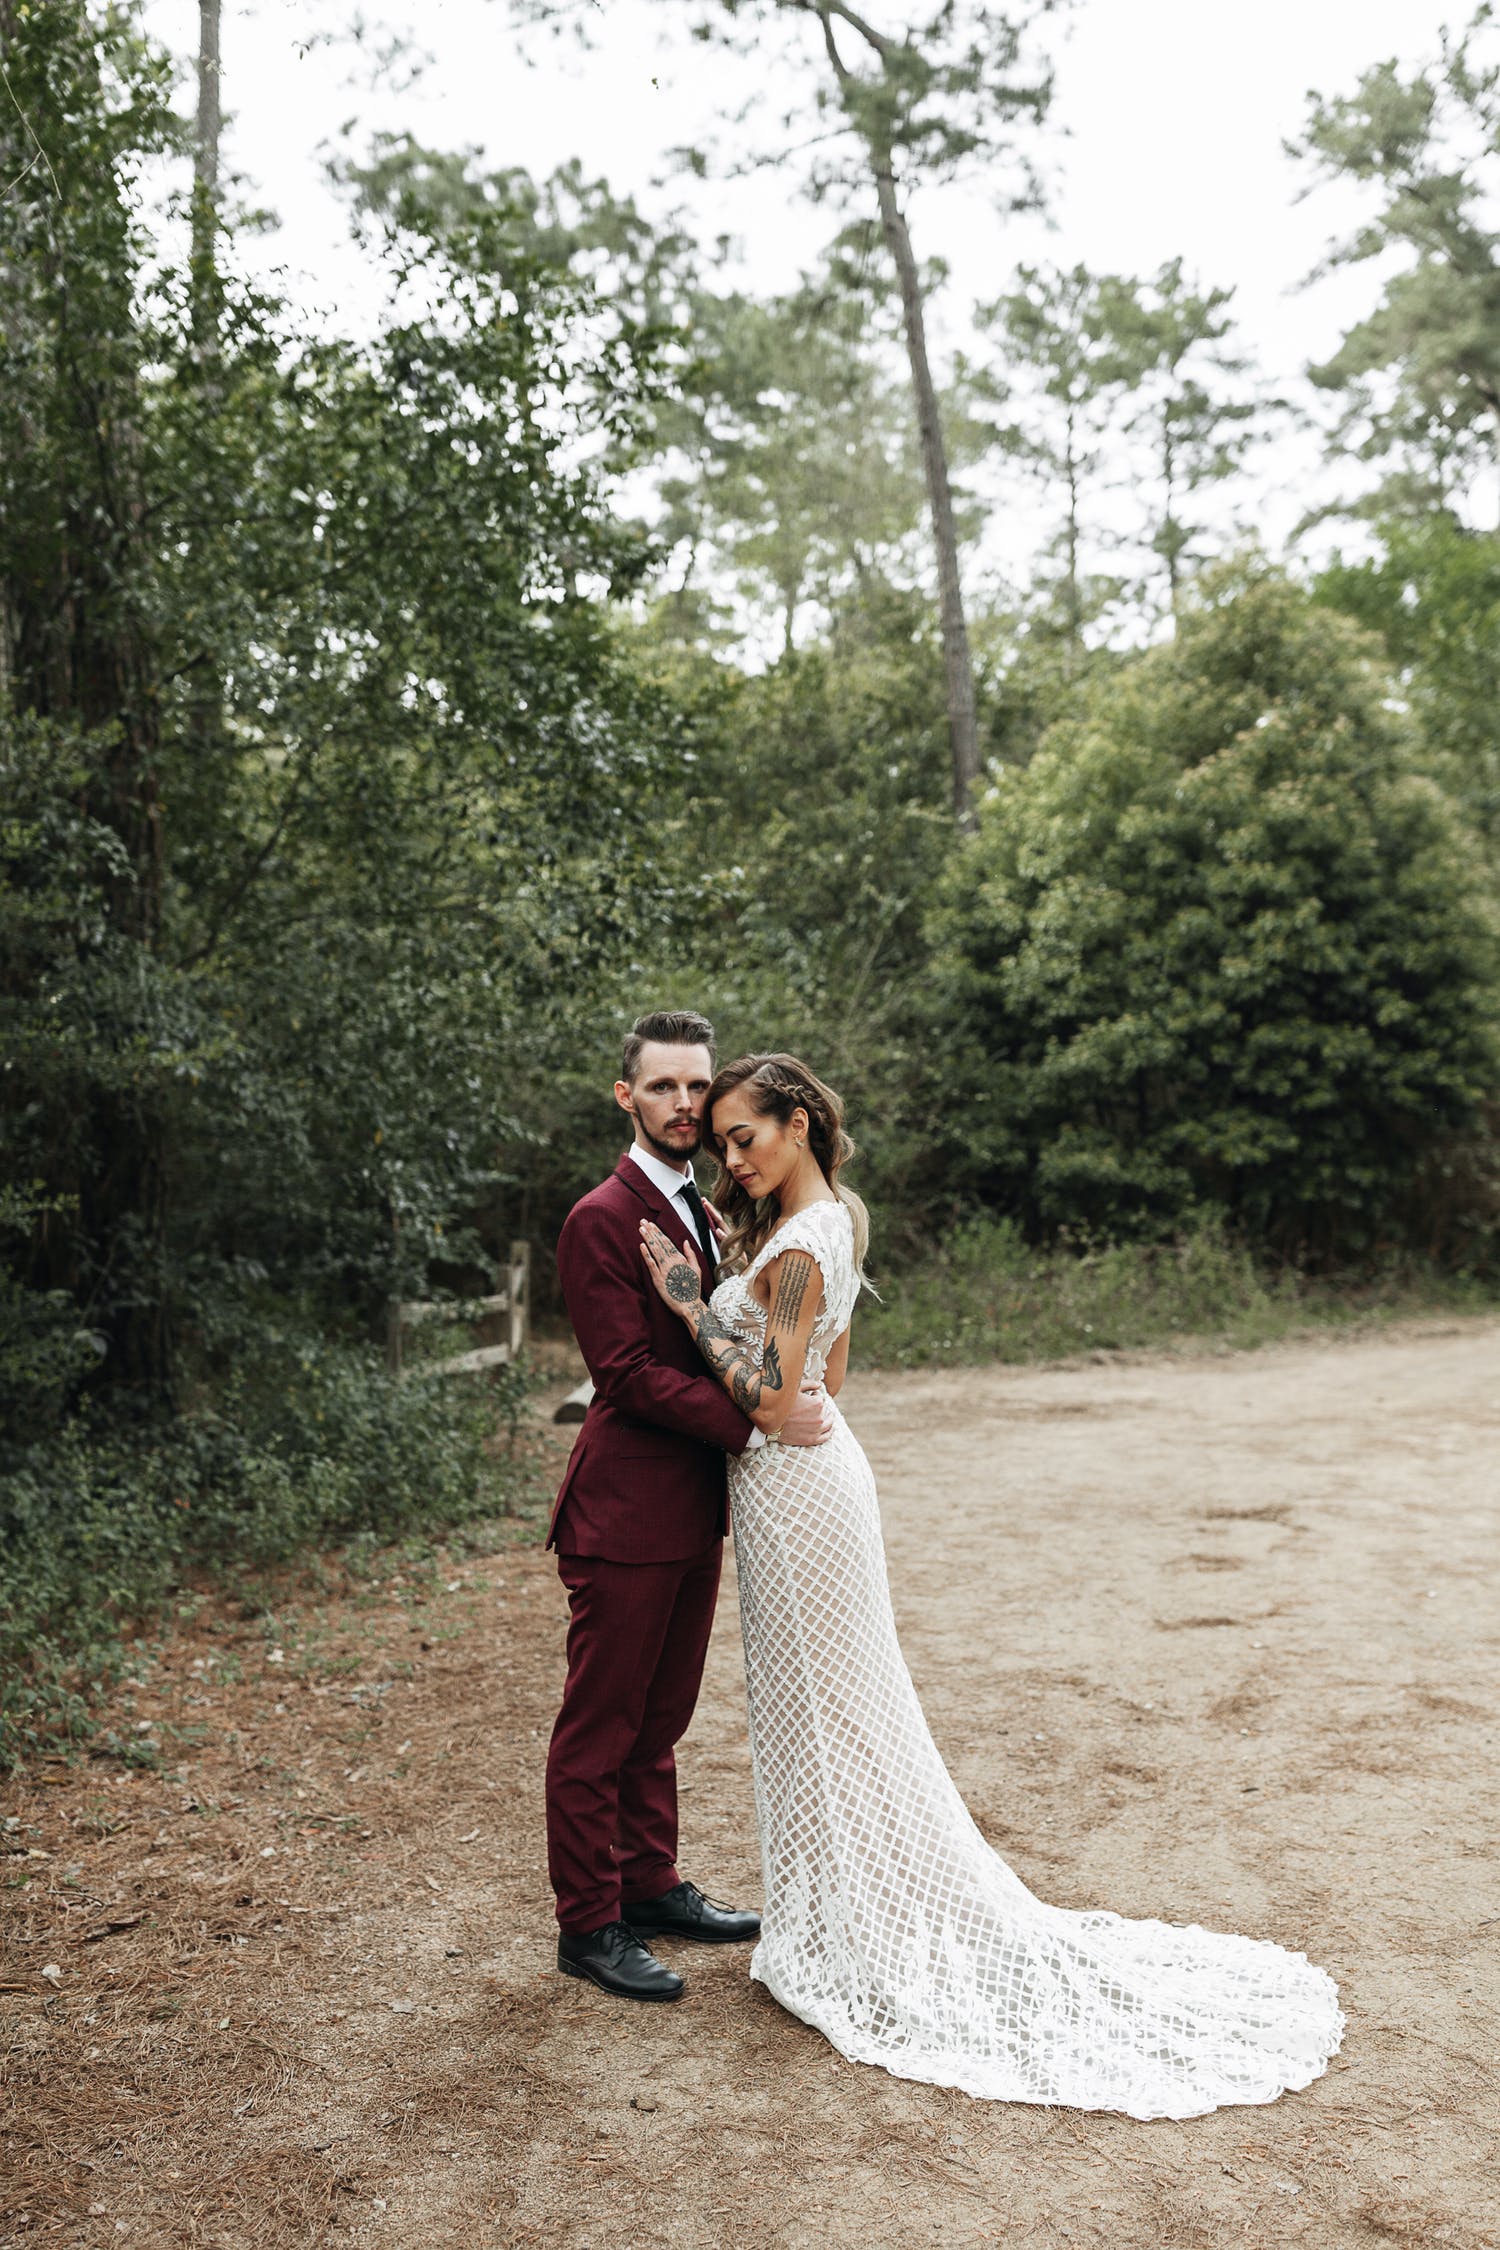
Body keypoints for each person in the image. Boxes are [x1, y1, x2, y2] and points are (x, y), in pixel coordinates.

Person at [637, 1050, 1345, 2119]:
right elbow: (829, 1378)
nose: (731, 1158)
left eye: (746, 1136)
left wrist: (692, 1305)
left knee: (832, 1710)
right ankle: (832, 1919)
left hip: (799, 1486)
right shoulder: (832, 1223)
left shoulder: (803, 1239)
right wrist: (767, 1366)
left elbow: (781, 1400)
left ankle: (853, 1933)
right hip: (808, 1484)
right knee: (823, 1708)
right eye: (723, 1142)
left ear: (798, 1124)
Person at [545, 1011, 834, 2003]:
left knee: (661, 1716)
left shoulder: (709, 1213)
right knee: (602, 1724)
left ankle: (653, 1887)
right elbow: (622, 1375)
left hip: (692, 1510)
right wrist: (752, 1423)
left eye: (696, 1087)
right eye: (662, 1086)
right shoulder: (597, 1217)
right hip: (624, 1513)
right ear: (627, 1096)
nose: (684, 1103)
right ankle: (589, 1925)